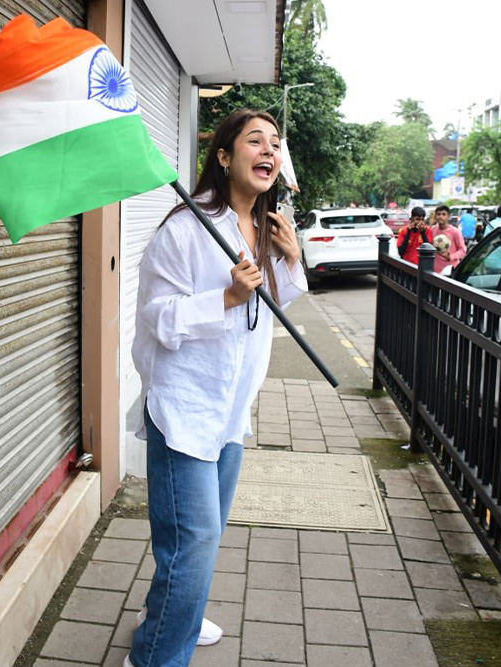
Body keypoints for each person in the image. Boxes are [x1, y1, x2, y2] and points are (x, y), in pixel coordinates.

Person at [126, 109, 307, 667]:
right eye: (255, 141)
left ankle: (169, 614)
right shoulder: (187, 227)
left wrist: (293, 257)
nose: (269, 151)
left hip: (231, 411)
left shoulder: (269, 228)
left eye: (275, 143)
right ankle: (157, 655)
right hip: (184, 409)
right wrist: (224, 299)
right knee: (194, 543)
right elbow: (158, 317)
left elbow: (282, 303)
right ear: (224, 157)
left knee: (195, 543)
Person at [430, 204, 466, 273]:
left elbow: (462, 250)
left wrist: (451, 257)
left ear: (448, 217)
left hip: (449, 269)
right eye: (438, 214)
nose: (440, 217)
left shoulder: (455, 232)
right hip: (435, 269)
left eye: (444, 214)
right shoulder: (433, 229)